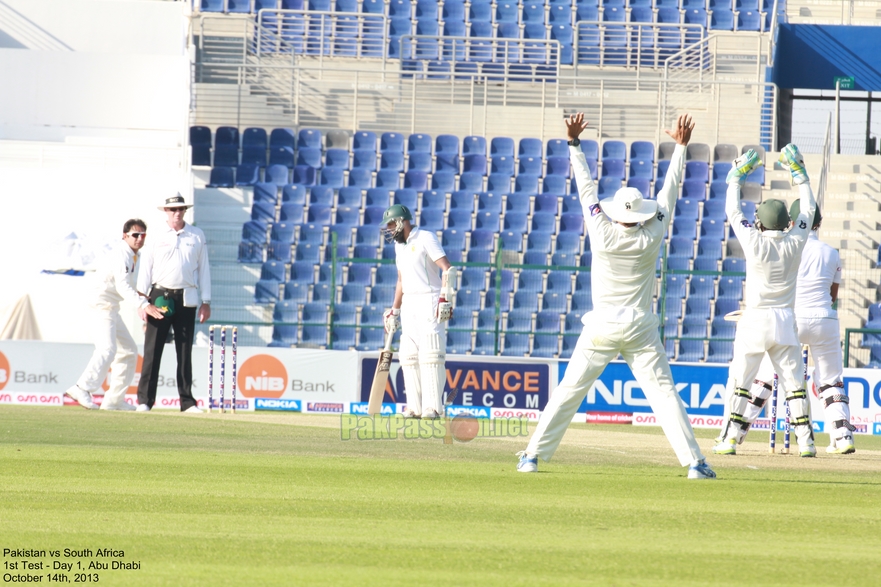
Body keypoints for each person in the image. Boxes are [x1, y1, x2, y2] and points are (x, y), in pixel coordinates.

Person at [517, 113, 716, 480]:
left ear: (615, 214)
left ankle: (531, 456)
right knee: (665, 395)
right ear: (641, 214)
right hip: (640, 328)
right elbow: (669, 191)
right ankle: (695, 464)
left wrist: (574, 144)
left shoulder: (601, 231)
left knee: (568, 392)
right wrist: (681, 147)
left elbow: (586, 190)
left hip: (603, 326)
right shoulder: (652, 233)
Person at [715, 201, 855, 454]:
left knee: (764, 379)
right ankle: (843, 435)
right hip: (825, 318)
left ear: (792, 222)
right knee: (831, 381)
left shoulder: (790, 246)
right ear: (819, 222)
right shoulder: (831, 253)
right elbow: (833, 295)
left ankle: (736, 432)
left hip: (790, 319)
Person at [713, 144, 818, 457]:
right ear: (787, 223)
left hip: (755, 320)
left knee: (741, 383)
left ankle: (729, 439)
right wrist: (800, 174)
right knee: (794, 385)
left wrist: (736, 176)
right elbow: (809, 211)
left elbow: (733, 211)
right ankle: (807, 443)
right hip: (785, 321)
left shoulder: (753, 240)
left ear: (759, 221)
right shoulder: (795, 241)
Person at [65, 220, 166, 410]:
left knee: (128, 351)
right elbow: (122, 286)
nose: (139, 238)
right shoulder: (122, 254)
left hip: (111, 307)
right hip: (100, 305)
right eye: (135, 235)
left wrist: (143, 296)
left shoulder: (135, 256)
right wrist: (144, 304)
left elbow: (129, 284)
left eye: (142, 235)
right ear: (124, 235)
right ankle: (82, 388)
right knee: (107, 349)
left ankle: (113, 401)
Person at [136, 194, 211, 413]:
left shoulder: (196, 235)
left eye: (180, 209)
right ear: (166, 212)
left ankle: (187, 402)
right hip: (159, 295)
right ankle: (144, 401)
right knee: (152, 350)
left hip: (187, 296)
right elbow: (145, 269)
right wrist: (142, 302)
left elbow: (204, 269)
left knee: (184, 351)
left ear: (185, 211)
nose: (177, 213)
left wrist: (206, 301)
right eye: (172, 210)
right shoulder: (157, 234)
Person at [380, 204, 455, 419]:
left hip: (430, 298)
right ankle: (414, 407)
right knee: (409, 355)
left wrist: (445, 298)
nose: (389, 228)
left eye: (392, 224)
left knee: (431, 354)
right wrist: (394, 310)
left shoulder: (425, 237)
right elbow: (401, 280)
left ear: (403, 222)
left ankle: (433, 408)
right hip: (410, 303)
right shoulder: (398, 246)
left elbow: (447, 268)